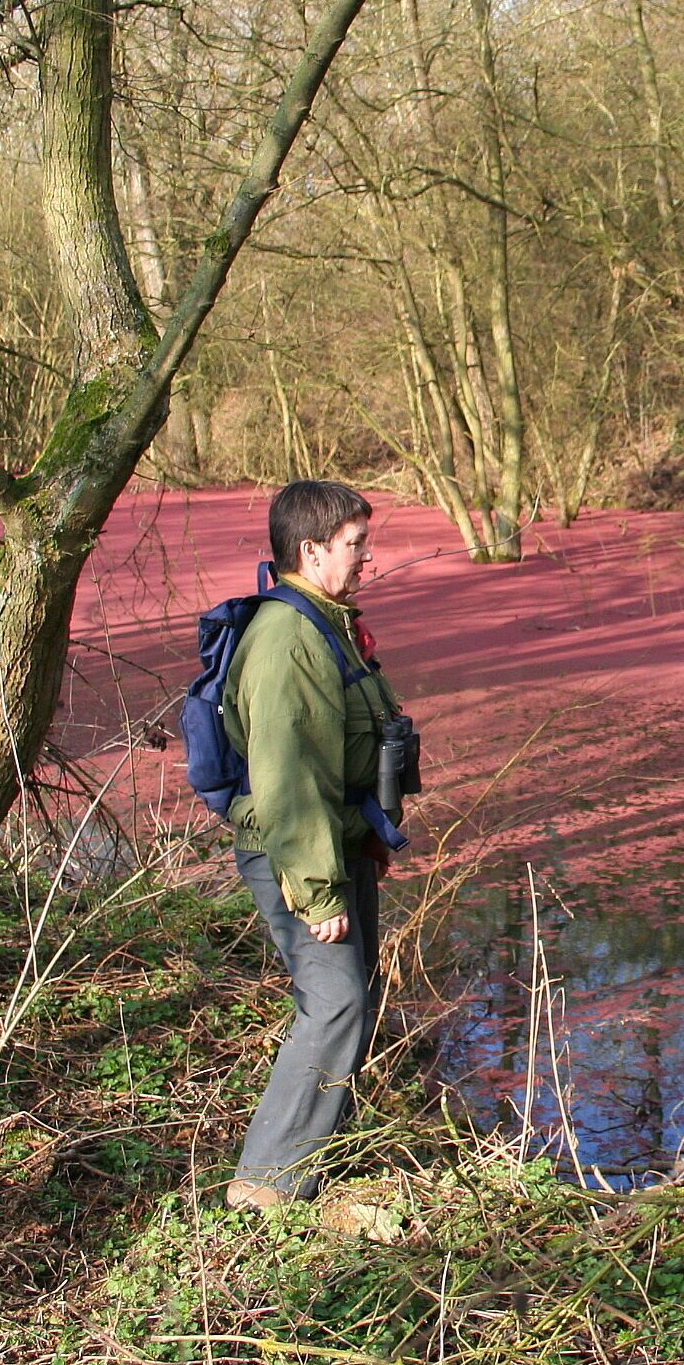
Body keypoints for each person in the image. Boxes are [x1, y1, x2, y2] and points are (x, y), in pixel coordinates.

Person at [223, 480, 403, 1209]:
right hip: (297, 853)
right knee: (335, 1004)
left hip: (338, 842)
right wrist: (319, 890)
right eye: (356, 544)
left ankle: (324, 1160)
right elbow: (290, 777)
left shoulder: (327, 622)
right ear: (312, 549)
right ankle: (265, 1186)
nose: (367, 556)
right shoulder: (287, 639)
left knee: (356, 995)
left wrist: (368, 839)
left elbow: (346, 752)